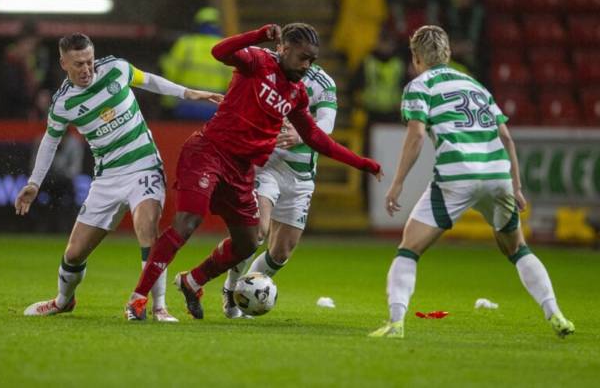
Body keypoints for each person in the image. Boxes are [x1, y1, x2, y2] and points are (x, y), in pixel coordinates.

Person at [125, 23, 383, 321]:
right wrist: (258, 35)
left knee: (249, 241)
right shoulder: (257, 61)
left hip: (242, 170)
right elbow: (219, 51)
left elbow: (318, 140)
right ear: (283, 49)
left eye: (312, 59)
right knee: (188, 219)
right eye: (302, 57)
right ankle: (138, 298)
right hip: (209, 152)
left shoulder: (297, 94)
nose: (307, 65)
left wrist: (364, 164)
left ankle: (193, 281)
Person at [369, 25, 575, 339]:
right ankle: (556, 314)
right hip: (497, 175)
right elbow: (506, 137)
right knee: (518, 249)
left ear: (415, 58)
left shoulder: (419, 86)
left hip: (456, 177)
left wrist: (397, 183)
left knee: (409, 249)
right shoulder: (476, 86)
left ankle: (396, 323)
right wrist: (516, 187)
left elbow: (417, 134)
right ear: (448, 54)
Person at [15, 33, 223, 322]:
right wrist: (34, 183)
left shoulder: (115, 69)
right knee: (74, 254)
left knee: (146, 229)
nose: (86, 69)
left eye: (89, 61)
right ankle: (63, 301)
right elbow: (50, 142)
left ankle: (159, 306)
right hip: (107, 178)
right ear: (64, 63)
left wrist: (188, 93)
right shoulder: (64, 103)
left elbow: (149, 80)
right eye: (78, 64)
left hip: (144, 165)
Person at [221, 62, 338, 318]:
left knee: (281, 252)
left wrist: (302, 135)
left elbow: (328, 121)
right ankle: (231, 289)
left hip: (301, 176)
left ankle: (248, 291)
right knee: (257, 231)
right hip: (268, 165)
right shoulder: (266, 72)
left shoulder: (323, 82)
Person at [160, 7, 232, 120]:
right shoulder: (227, 46)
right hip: (214, 109)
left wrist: (167, 103)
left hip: (185, 106)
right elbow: (233, 81)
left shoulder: (185, 44)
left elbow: (170, 73)